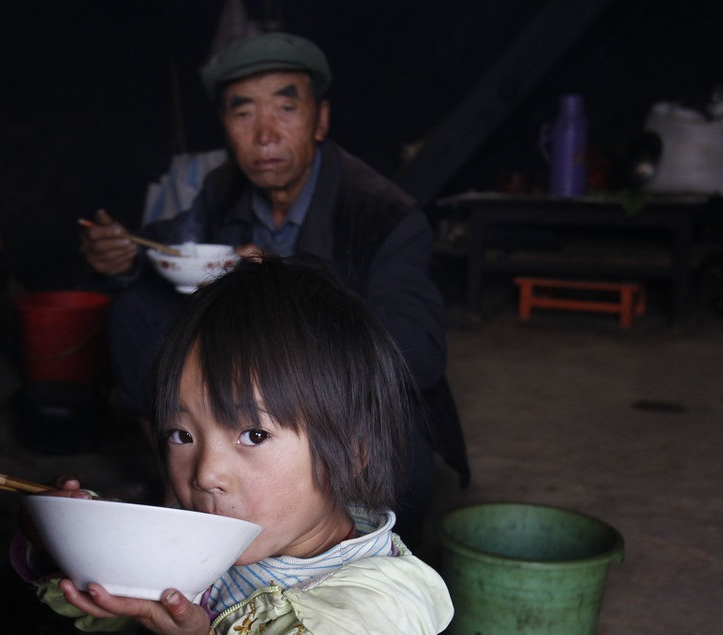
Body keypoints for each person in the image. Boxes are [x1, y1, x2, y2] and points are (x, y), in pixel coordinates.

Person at [12, 255, 454, 635]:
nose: (205, 474)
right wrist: (63, 538)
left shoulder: (375, 627)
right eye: (181, 432)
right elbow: (118, 597)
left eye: (252, 432)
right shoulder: (225, 539)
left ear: (355, 448)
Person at [80, 31, 469, 536]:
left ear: (320, 120)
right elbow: (171, 244)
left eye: (285, 109)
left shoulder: (383, 216)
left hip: (343, 422)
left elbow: (418, 355)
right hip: (243, 409)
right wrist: (123, 256)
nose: (264, 134)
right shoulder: (225, 188)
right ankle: (180, 485)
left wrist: (285, 286)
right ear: (226, 126)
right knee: (136, 309)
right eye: (243, 114)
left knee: (378, 487)